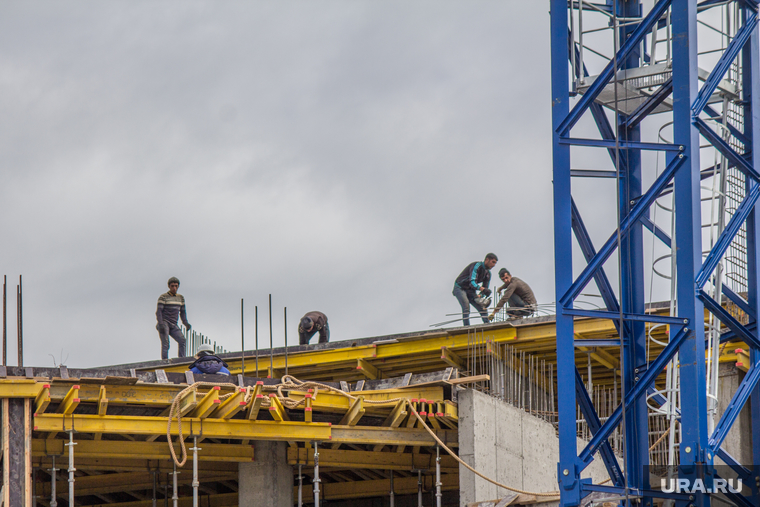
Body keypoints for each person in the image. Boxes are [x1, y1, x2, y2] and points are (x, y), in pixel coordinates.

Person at [453, 253, 498, 326]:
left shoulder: (488, 274)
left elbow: (485, 287)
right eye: (493, 262)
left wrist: (481, 295)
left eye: (495, 263)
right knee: (466, 306)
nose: (493, 265)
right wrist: (481, 289)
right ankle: (467, 327)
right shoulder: (476, 266)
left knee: (481, 306)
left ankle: (487, 324)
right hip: (460, 287)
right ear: (487, 260)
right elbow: (472, 282)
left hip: (470, 290)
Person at [156, 277, 191, 360]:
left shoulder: (180, 298)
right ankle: (165, 361)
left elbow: (182, 312)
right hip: (164, 322)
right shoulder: (163, 297)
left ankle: (181, 359)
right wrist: (160, 324)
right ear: (169, 286)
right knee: (166, 343)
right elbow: (159, 312)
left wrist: (186, 323)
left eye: (176, 286)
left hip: (173, 324)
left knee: (182, 340)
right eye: (172, 286)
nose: (174, 288)